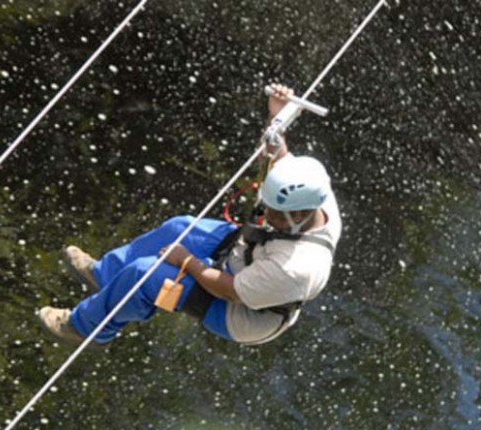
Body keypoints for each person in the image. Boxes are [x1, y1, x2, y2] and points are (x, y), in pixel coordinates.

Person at [38, 84, 342, 346]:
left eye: (275, 213)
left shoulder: (298, 268)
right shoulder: (311, 191)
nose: (268, 214)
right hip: (251, 253)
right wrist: (277, 116)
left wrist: (187, 262)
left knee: (148, 276)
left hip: (235, 312)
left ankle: (85, 328)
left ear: (300, 215)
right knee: (179, 227)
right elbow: (279, 157)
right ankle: (106, 275)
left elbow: (230, 290)